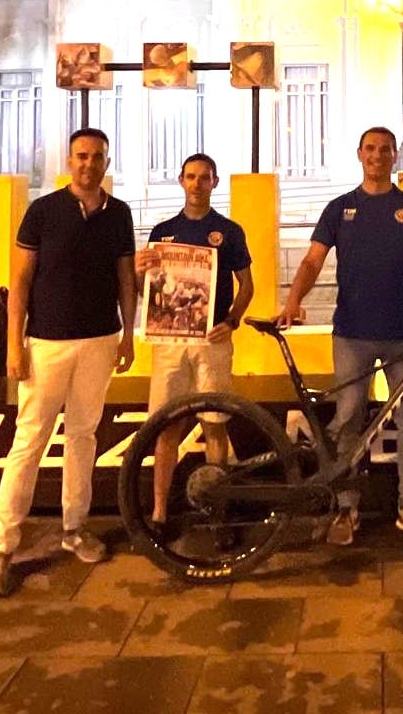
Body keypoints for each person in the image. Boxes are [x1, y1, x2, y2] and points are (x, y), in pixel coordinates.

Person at [277, 126, 403, 547]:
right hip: (352, 334)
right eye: (370, 149)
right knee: (348, 420)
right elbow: (312, 261)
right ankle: (346, 508)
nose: (377, 156)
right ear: (359, 154)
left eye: (385, 150)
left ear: (395, 157)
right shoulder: (340, 208)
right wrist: (293, 300)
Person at [0, 128, 136, 598]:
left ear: (107, 163)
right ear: (70, 161)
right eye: (81, 156)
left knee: (83, 437)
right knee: (28, 441)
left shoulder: (120, 214)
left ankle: (74, 528)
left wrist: (129, 334)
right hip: (46, 344)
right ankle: (1, 547)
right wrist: (14, 345)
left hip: (100, 342)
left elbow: (126, 280)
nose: (89, 164)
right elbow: (21, 282)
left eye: (97, 157)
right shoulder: (43, 211)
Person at [135, 153, 254, 527]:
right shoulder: (162, 232)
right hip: (169, 343)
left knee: (214, 424)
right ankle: (159, 512)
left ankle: (218, 513)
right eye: (191, 177)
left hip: (212, 340)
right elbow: (149, 294)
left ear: (215, 182)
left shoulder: (229, 231)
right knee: (165, 427)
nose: (197, 184)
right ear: (181, 181)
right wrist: (141, 274)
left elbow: (247, 286)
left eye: (205, 178)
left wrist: (232, 321)